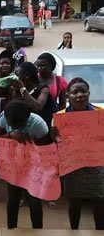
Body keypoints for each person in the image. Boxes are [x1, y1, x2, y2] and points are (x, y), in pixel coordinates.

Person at [53, 78, 104, 230]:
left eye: (83, 91)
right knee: (74, 201)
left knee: (100, 201)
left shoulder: (100, 114)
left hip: (96, 164)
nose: (80, 95)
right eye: (75, 92)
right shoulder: (60, 117)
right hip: (73, 165)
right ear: (67, 96)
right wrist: (52, 135)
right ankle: (74, 230)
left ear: (89, 94)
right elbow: (56, 143)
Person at [0, 100, 50, 229]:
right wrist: (11, 134)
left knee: (34, 199)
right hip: (13, 164)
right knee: (13, 198)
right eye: (12, 125)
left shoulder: (39, 124)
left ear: (27, 118)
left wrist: (29, 140)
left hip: (34, 166)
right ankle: (11, 228)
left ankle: (37, 229)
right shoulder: (4, 118)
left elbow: (48, 148)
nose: (16, 127)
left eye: (19, 125)